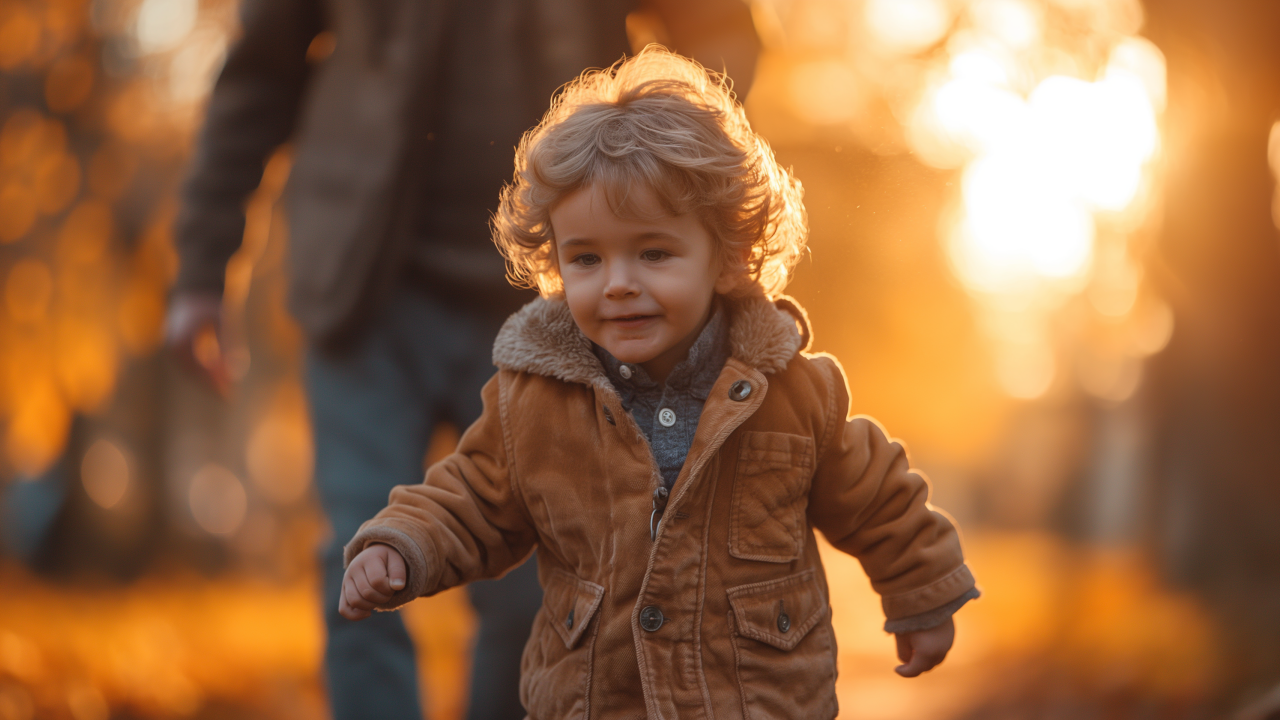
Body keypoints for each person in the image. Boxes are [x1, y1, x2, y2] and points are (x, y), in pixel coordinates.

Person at [338, 47, 980, 718]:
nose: (618, 283)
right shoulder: (533, 403)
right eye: (586, 258)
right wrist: (400, 545)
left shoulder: (791, 392)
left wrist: (922, 593)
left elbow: (877, 497)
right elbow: (470, 498)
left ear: (728, 256)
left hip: (755, 703)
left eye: (653, 252)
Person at [163, 0, 761, 718]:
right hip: (362, 290)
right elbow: (261, 71)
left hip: (558, 304)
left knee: (541, 583)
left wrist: (669, 176)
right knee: (362, 555)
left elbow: (722, 29)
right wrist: (201, 267)